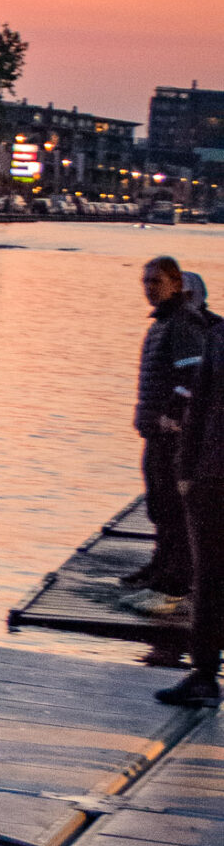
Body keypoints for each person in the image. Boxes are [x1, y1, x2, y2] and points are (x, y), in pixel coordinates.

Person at [162, 287, 224, 708]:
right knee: (210, 579)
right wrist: (185, 470)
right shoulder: (218, 337)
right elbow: (199, 404)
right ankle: (203, 675)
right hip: (212, 476)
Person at [131, 256, 191, 599]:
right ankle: (161, 567)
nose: (150, 288)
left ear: (176, 283)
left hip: (170, 435)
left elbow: (192, 374)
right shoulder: (162, 323)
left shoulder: (181, 323)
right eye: (146, 282)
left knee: (170, 505)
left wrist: (172, 415)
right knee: (158, 503)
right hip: (154, 430)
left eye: (156, 281)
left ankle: (174, 579)